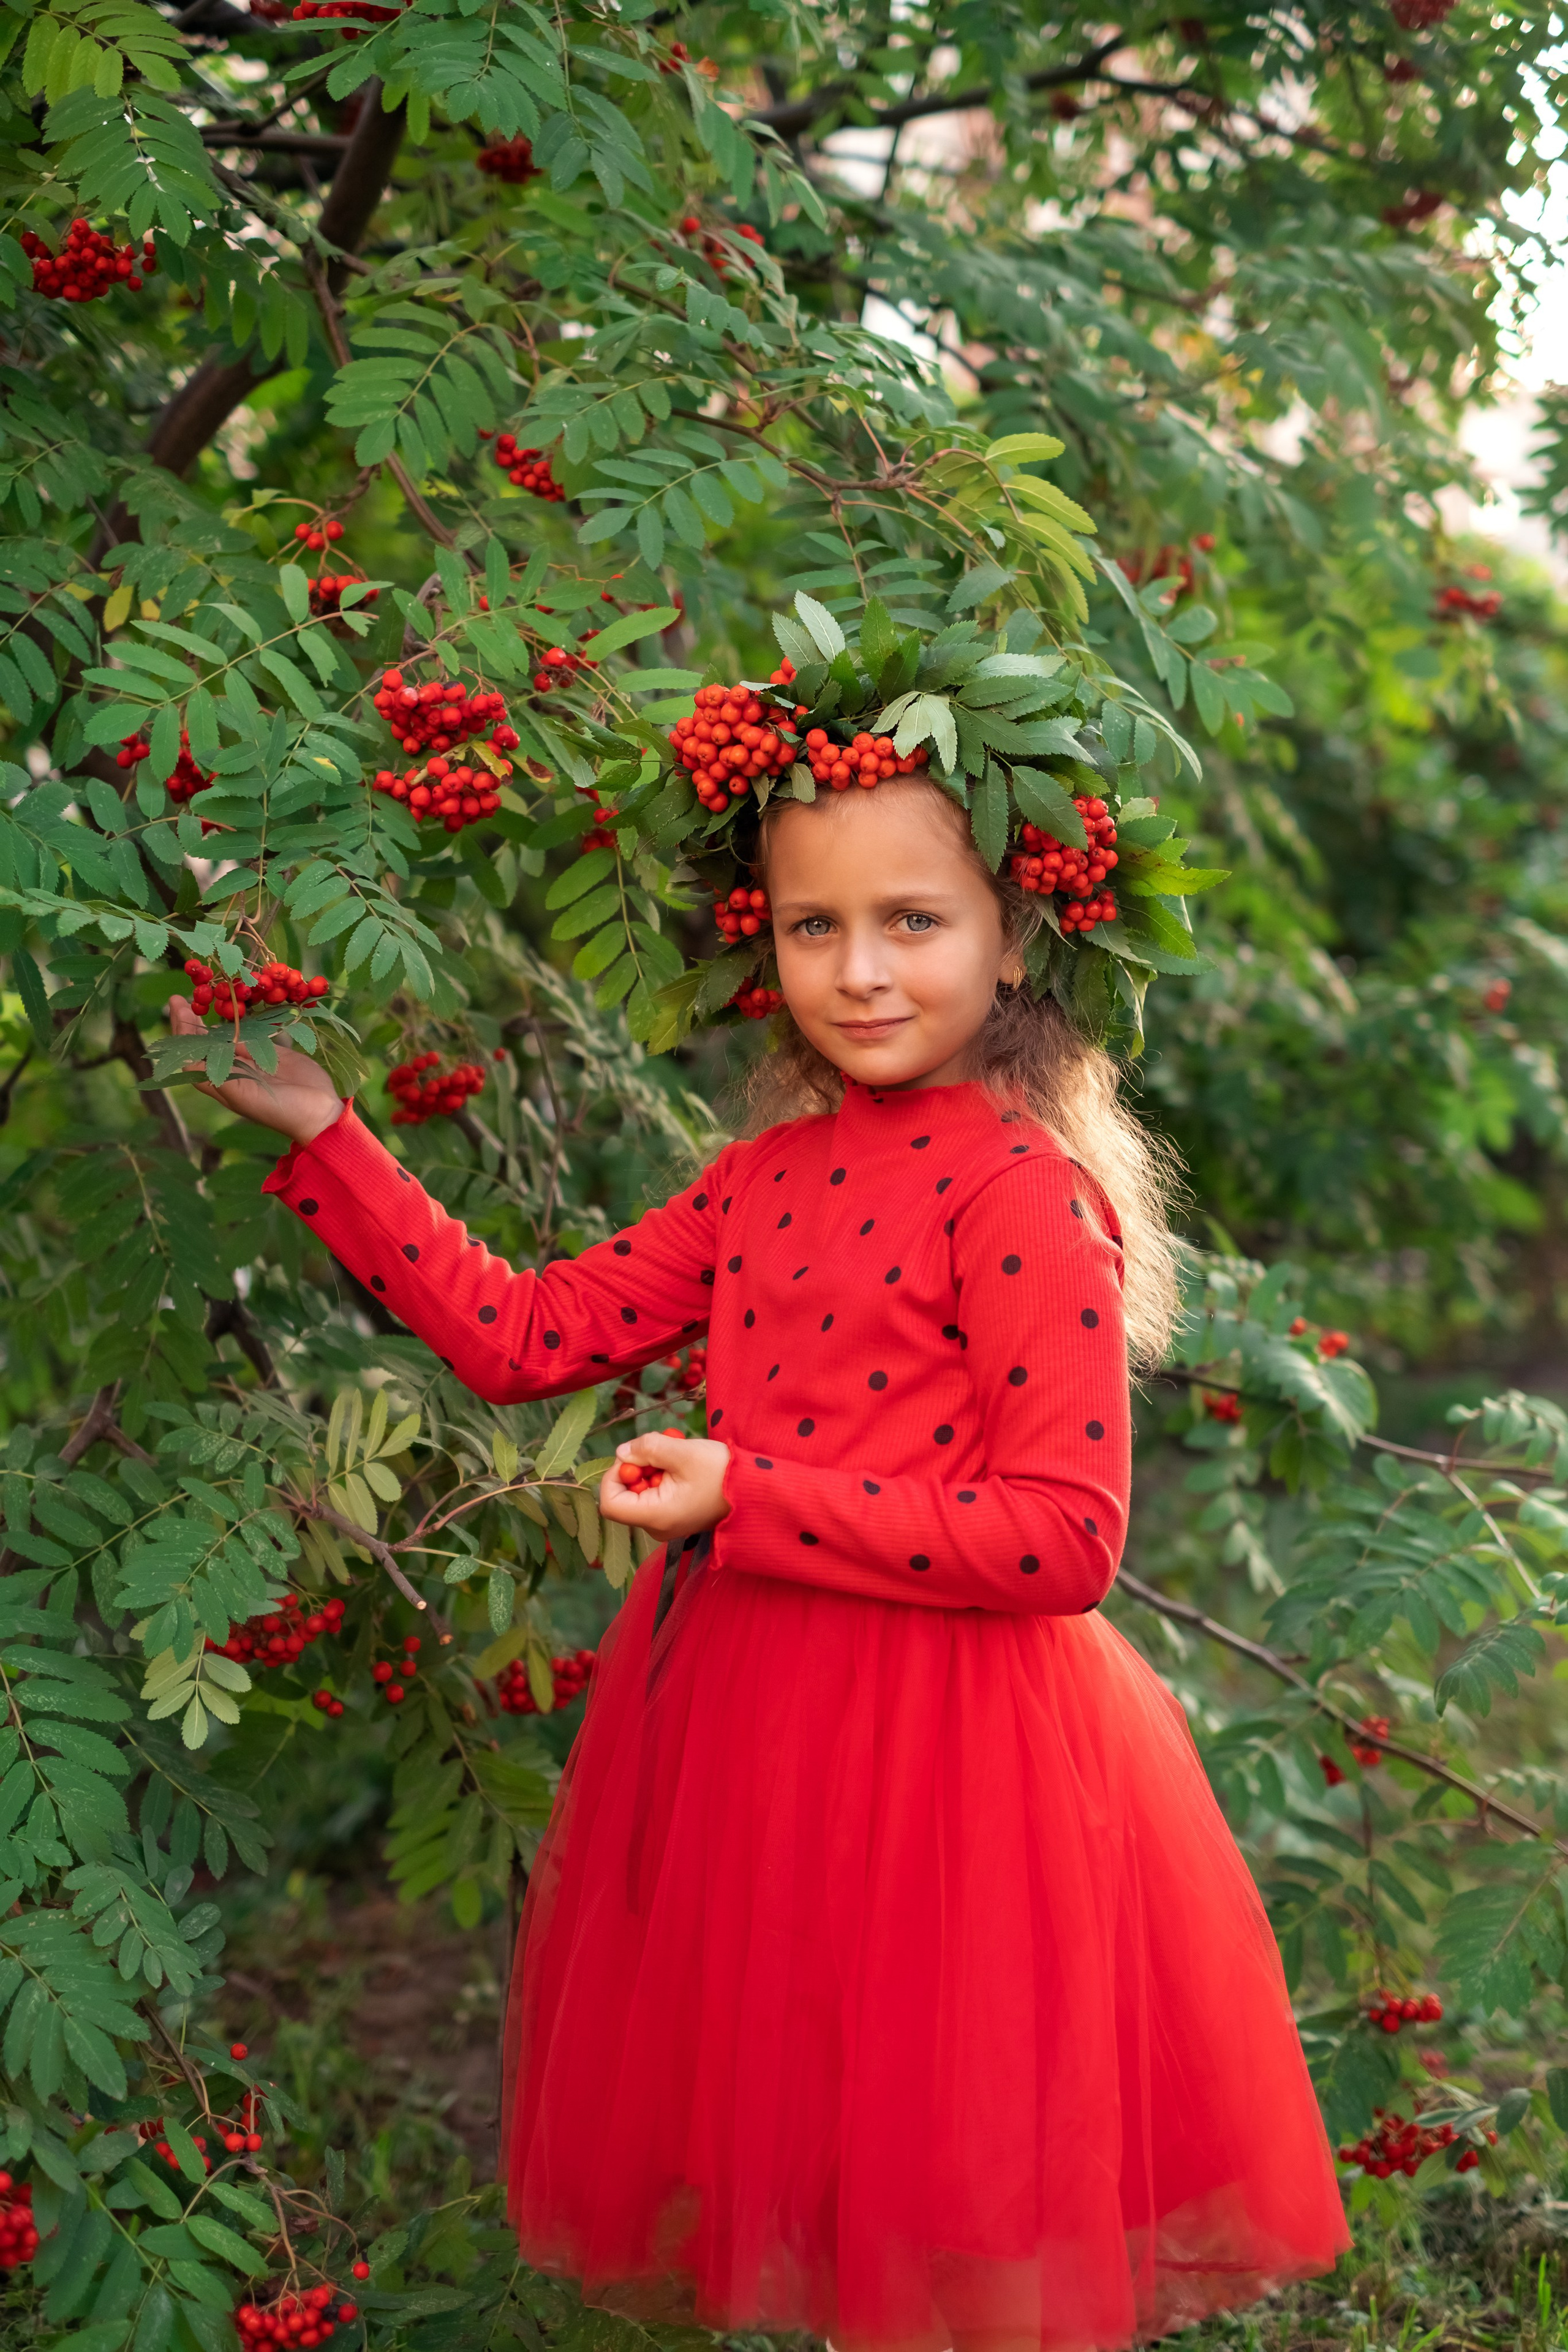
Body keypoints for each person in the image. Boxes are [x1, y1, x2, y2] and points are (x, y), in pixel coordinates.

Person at [169, 774, 1349, 2351]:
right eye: (814, 926)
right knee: (844, 2174)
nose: (859, 971)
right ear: (767, 944)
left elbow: (1064, 1540)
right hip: (761, 1734)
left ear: (1014, 943)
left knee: (967, 2198)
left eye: (911, 921)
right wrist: (330, 1129)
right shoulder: (763, 1178)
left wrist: (751, 1496)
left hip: (952, 1760)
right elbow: (527, 1339)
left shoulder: (1023, 1194)